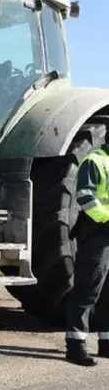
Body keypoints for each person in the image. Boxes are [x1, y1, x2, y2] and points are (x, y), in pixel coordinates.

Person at [64, 145, 109, 367]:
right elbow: (85, 196)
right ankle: (75, 346)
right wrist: (106, 220)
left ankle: (106, 342)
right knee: (88, 290)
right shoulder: (95, 160)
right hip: (97, 233)